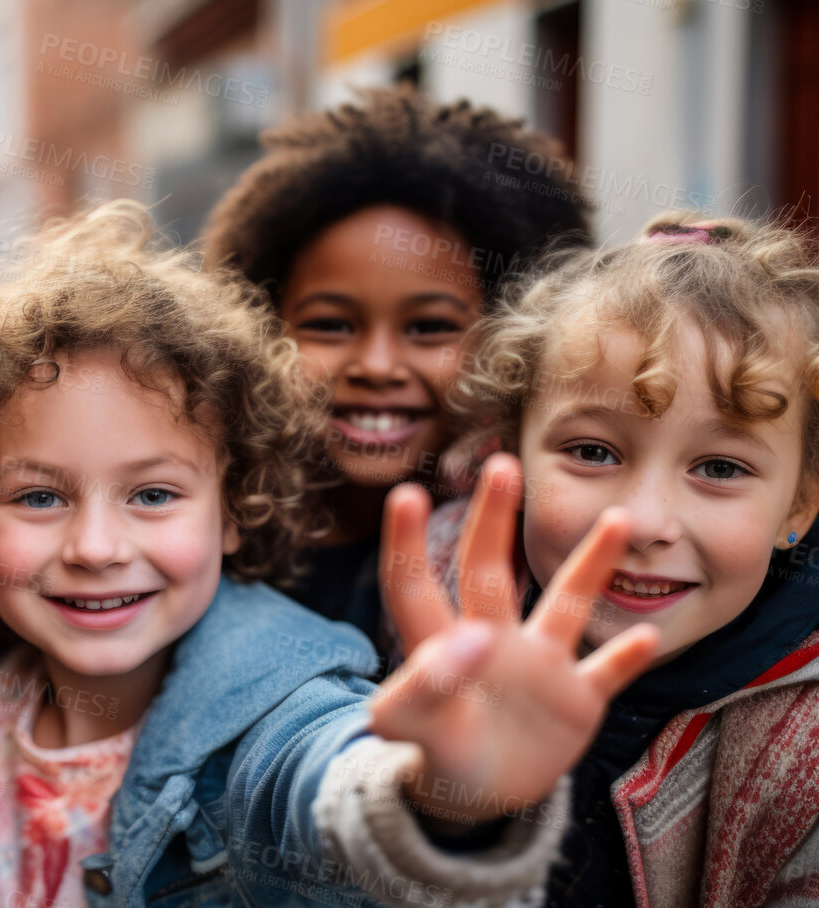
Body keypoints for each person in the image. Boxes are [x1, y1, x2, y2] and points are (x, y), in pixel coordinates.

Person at [0, 200, 663, 908]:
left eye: (153, 494)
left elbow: (328, 789)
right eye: (39, 496)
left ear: (232, 507)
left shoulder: (270, 696)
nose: (96, 547)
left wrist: (442, 790)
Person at [376, 215, 819, 908]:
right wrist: (440, 798)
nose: (642, 521)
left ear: (799, 503)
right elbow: (338, 878)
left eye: (718, 467)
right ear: (514, 454)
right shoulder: (443, 598)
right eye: (593, 449)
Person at [200, 86, 592, 656]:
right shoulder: (209, 530)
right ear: (259, 327)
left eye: (429, 328)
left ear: (517, 337)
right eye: (331, 326)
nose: (377, 366)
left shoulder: (545, 544)